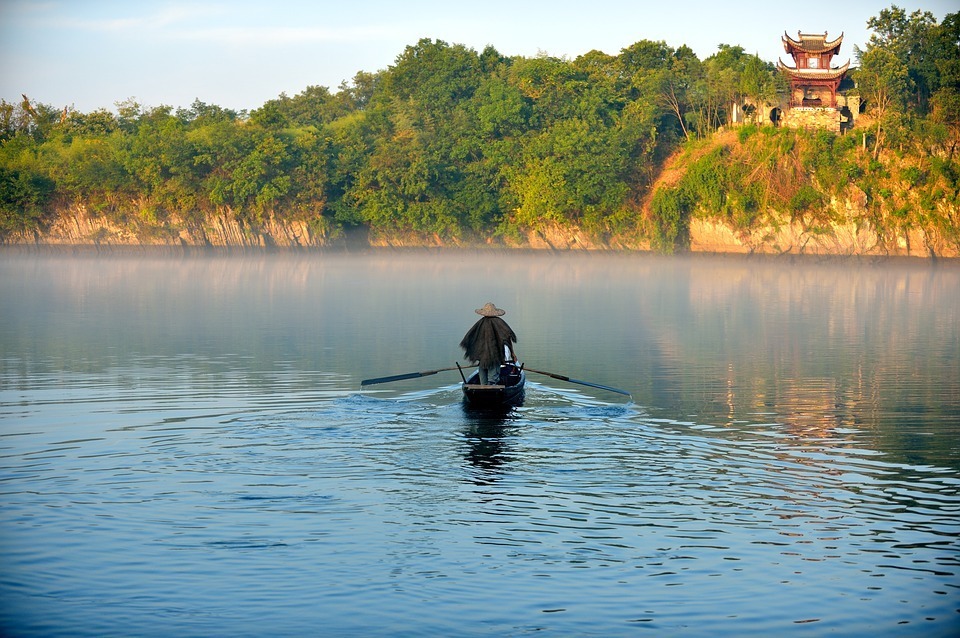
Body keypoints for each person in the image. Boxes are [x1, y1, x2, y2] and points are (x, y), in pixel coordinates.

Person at [460, 302, 518, 385]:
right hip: (494, 356)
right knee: (492, 380)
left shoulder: (480, 323)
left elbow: (472, 338)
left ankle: (483, 388)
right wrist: (513, 354)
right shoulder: (499, 322)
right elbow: (507, 338)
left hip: (483, 357)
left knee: (483, 380)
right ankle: (492, 388)